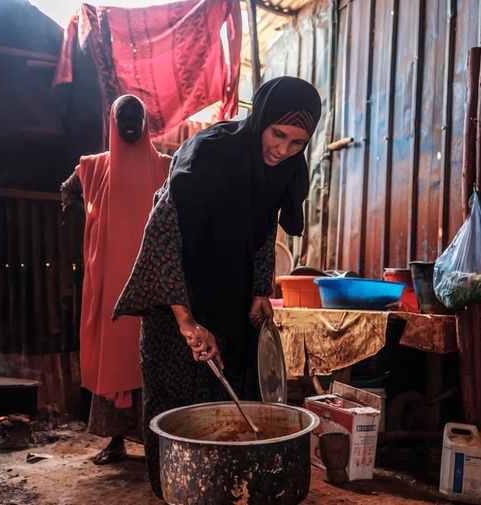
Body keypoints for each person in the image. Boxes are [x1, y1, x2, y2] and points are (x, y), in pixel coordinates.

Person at [112, 76, 322, 497]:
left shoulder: (281, 171)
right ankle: (173, 493)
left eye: (297, 143)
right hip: (178, 301)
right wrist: (187, 322)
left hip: (231, 304)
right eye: (277, 134)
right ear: (260, 118)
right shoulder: (209, 154)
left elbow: (262, 234)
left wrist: (261, 290)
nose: (282, 150)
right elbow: (162, 234)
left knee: (231, 414)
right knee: (179, 418)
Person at [61, 94, 171, 465]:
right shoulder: (94, 169)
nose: (128, 123)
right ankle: (116, 439)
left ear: (145, 122)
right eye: (121, 116)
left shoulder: (167, 168)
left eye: (134, 116)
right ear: (112, 121)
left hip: (152, 281)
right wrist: (94, 224)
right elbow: (68, 191)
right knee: (115, 354)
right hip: (111, 281)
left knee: (152, 356)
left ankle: (157, 441)